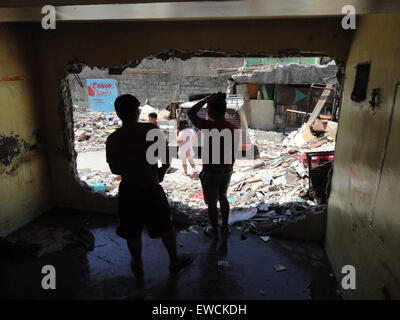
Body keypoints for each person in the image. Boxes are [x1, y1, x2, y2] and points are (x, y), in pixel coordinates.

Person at [106, 94, 192, 278]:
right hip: (151, 187)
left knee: (132, 230)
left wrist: (130, 166)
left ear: (119, 114)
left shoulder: (113, 138)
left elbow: (114, 169)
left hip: (129, 190)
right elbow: (167, 158)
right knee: (166, 226)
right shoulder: (150, 130)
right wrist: (160, 172)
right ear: (137, 112)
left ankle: (138, 265)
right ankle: (174, 260)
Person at [187, 93, 239, 239]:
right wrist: (230, 167)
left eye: (208, 109)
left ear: (213, 111)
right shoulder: (233, 128)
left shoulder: (208, 126)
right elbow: (233, 152)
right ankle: (226, 226)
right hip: (226, 170)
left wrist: (204, 100)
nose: (207, 113)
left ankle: (214, 230)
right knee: (223, 197)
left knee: (211, 203)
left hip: (211, 172)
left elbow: (190, 113)